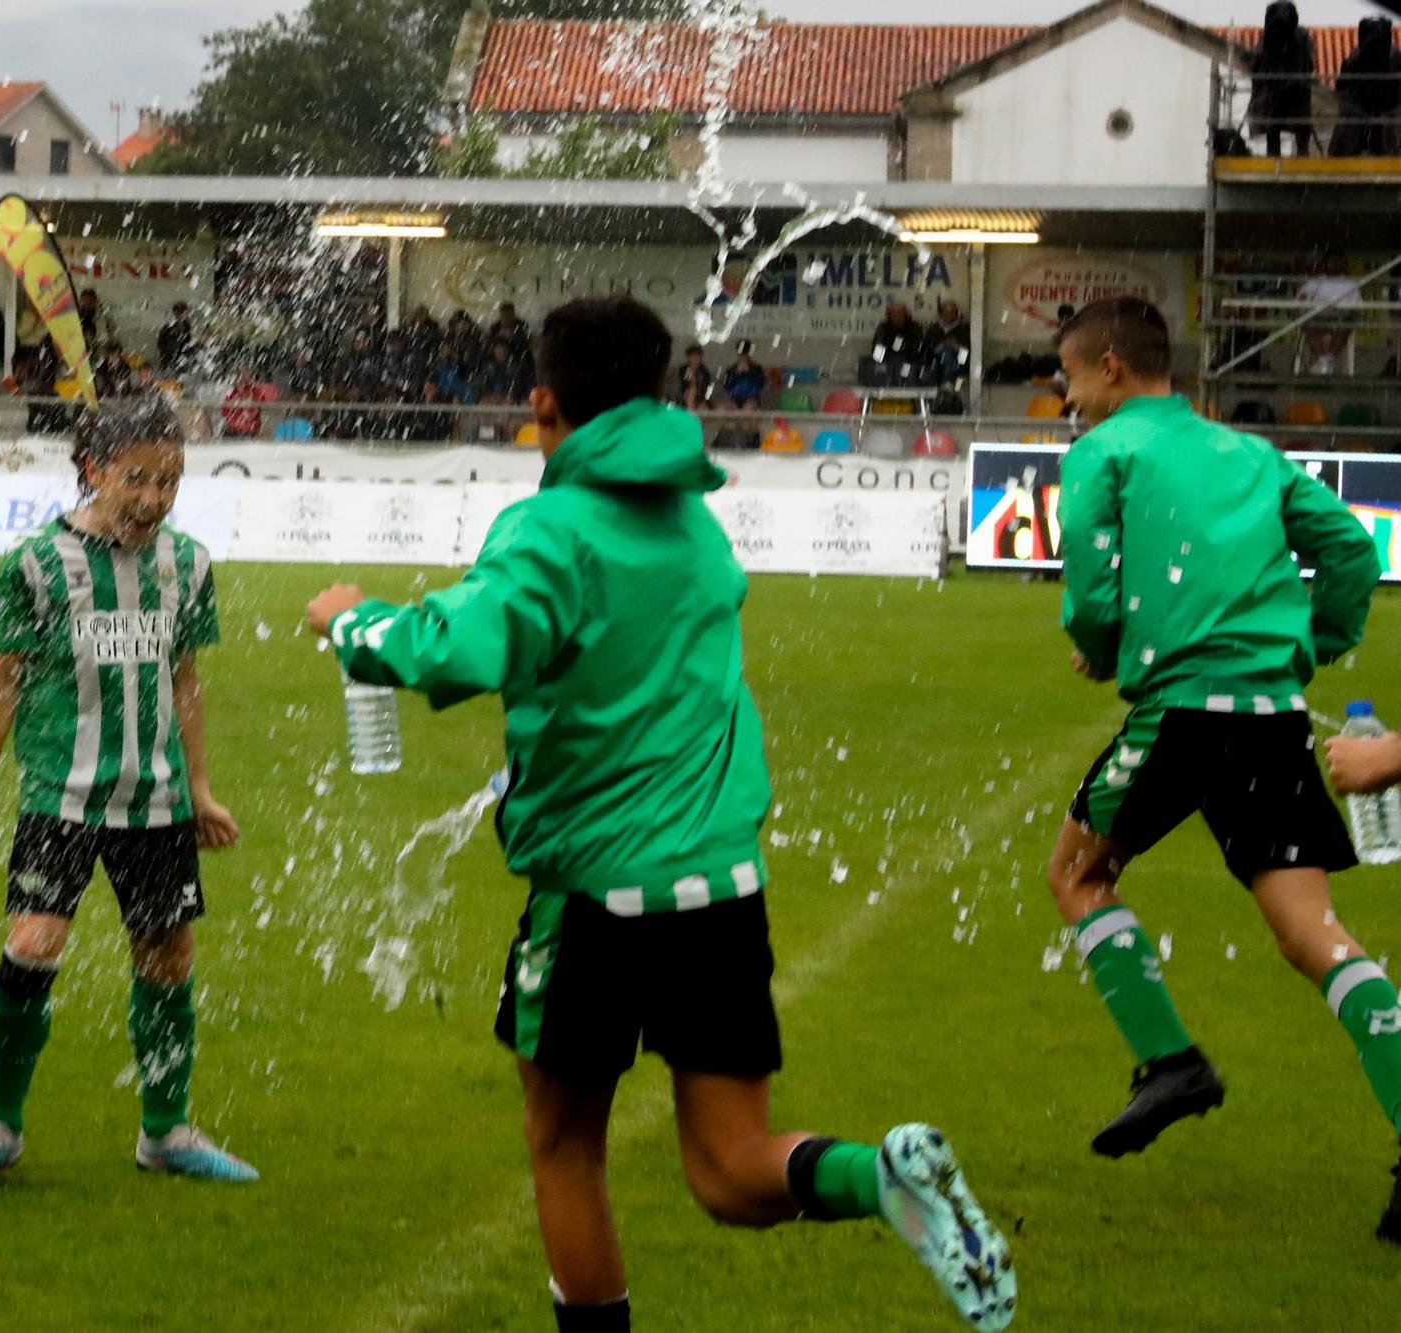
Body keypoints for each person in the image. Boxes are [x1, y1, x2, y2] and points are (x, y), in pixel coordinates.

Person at [303, 295, 1015, 1333]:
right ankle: (876, 1177)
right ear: (665, 389)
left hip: (596, 896)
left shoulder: (549, 527)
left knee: (561, 1148)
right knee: (730, 1171)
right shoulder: (691, 521)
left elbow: (455, 646)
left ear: (541, 402)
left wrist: (349, 621)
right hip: (720, 887)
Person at [1040, 296, 1399, 1242]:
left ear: (1112, 367)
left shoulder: (1105, 452)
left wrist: (1104, 643)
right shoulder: (1250, 453)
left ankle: (1171, 1061)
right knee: (1313, 933)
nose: (1069, 402)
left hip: (1184, 711)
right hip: (1271, 716)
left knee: (1077, 875)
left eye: (1072, 381)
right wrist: (1316, 641)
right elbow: (1353, 554)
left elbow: (1089, 584)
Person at [0, 393, 256, 1190]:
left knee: (169, 955)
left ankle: (166, 1128)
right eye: (136, 479)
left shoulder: (190, 563)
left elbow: (185, 682)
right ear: (93, 471)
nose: (153, 498)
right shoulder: (36, 563)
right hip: (60, 796)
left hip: (158, 802)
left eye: (170, 481)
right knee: (34, 943)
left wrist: (202, 789)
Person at [1252, 1, 1316, 157]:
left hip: (1297, 90)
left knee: (1301, 127)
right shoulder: (1267, 40)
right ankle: (1274, 158)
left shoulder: (1302, 38)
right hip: (1275, 90)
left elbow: (1309, 65)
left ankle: (1302, 156)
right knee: (1273, 127)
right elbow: (1256, 65)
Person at [1333, 16, 1399, 157]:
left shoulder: (1394, 57)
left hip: (1385, 110)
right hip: (1359, 108)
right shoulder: (1355, 58)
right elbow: (1342, 88)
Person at [720, 343, 765, 409]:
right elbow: (726, 386)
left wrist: (749, 372)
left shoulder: (757, 369)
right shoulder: (731, 369)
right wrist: (736, 374)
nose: (743, 358)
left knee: (748, 408)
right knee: (722, 408)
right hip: (734, 399)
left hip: (751, 399)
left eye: (745, 355)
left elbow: (760, 386)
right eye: (740, 355)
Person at [672, 343, 714, 411]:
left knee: (703, 407)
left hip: (700, 398)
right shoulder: (684, 370)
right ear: (689, 358)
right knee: (692, 391)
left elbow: (707, 389)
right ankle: (691, 413)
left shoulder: (704, 372)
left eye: (697, 357)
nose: (695, 360)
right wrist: (692, 380)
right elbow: (682, 387)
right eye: (693, 357)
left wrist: (704, 400)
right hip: (685, 397)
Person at [157, 302, 196, 375]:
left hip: (184, 364)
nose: (180, 315)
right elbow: (160, 345)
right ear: (174, 314)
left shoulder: (189, 328)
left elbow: (191, 346)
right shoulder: (167, 328)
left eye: (183, 313)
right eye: (178, 313)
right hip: (170, 363)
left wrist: (188, 358)